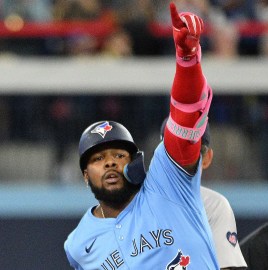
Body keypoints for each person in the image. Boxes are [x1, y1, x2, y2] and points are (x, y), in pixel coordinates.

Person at [64, 3, 220, 269]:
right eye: (99, 158)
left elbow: (187, 112)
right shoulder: (78, 245)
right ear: (85, 175)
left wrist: (187, 58)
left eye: (118, 154)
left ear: (135, 161)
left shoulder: (168, 183)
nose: (110, 162)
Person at [160, 118, 247, 270]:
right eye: (174, 151)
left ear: (206, 158)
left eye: (190, 152)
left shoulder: (213, 205)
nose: (181, 160)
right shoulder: (134, 201)